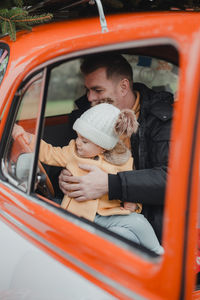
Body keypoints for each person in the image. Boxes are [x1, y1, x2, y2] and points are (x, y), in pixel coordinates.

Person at [13, 102, 163, 254]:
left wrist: (131, 202)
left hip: (108, 214)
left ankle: (157, 253)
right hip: (78, 216)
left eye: (85, 141)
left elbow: (128, 183)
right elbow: (50, 153)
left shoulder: (122, 160)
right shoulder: (72, 153)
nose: (77, 142)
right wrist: (28, 139)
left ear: (103, 146)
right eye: (77, 136)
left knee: (138, 222)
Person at [59, 53, 174, 242]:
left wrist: (110, 184)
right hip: (93, 213)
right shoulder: (86, 117)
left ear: (123, 87)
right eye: (87, 90)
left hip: (145, 222)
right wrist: (64, 176)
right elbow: (66, 154)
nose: (89, 97)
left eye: (97, 90)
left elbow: (172, 180)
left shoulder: (161, 120)